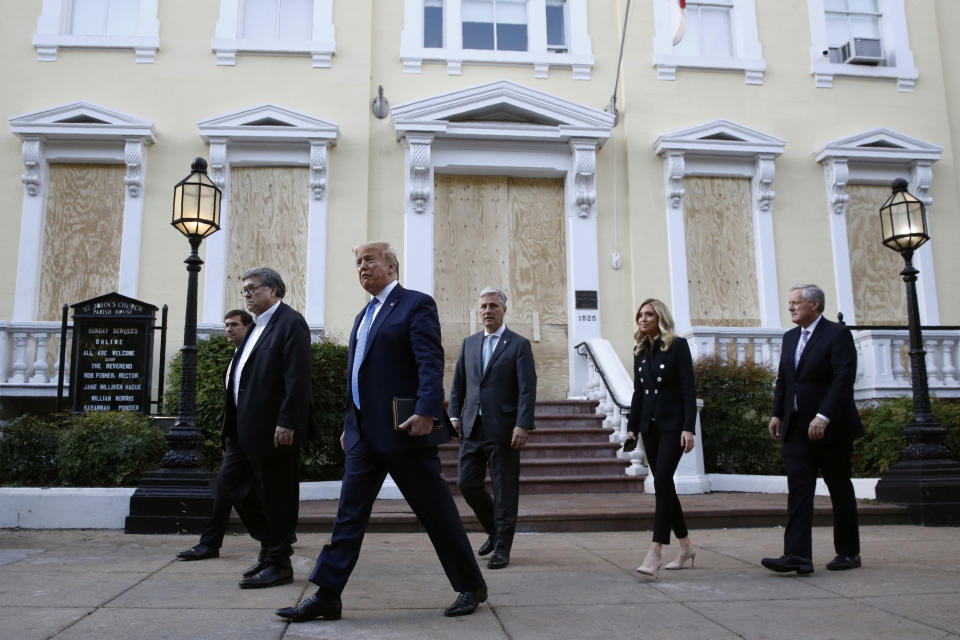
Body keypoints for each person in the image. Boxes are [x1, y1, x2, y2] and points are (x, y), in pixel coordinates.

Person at [276, 242, 487, 623]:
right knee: (348, 516)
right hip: (363, 436)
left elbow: (429, 359)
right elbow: (356, 376)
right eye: (357, 262)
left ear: (392, 267)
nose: (362, 267)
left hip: (404, 430)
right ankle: (328, 594)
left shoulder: (415, 304)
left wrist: (427, 409)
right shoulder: (363, 315)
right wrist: (348, 424)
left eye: (369, 260)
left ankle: (470, 585)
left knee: (436, 513)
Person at [220, 267, 313, 589]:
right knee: (234, 487)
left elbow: (297, 378)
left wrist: (287, 421)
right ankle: (270, 546)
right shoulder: (256, 327)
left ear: (273, 290)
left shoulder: (290, 322)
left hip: (274, 430)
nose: (246, 293)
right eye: (244, 289)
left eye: (252, 288)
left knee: (276, 495)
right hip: (243, 431)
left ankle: (278, 563)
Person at [762, 284, 863, 574]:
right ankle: (797, 556)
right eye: (790, 303)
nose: (791, 307)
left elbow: (843, 379)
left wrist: (824, 416)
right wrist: (777, 414)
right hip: (795, 428)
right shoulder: (790, 337)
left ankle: (848, 552)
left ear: (815, 305)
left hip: (831, 428)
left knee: (839, 488)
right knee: (799, 490)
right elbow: (784, 379)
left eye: (796, 302)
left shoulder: (837, 334)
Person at [449, 287, 537, 570]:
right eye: (484, 306)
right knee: (466, 483)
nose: (487, 311)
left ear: (504, 310)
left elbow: (527, 388)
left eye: (493, 306)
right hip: (472, 428)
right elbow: (459, 384)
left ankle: (502, 548)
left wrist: (523, 424)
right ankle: (494, 530)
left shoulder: (518, 345)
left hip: (504, 430)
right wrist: (453, 416)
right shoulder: (469, 344)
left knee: (505, 490)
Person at [626, 298, 697, 577]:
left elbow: (688, 390)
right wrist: (632, 427)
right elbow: (637, 393)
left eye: (649, 315)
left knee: (663, 482)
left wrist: (688, 427)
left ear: (660, 317)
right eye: (640, 315)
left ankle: (655, 551)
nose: (643, 319)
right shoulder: (640, 350)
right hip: (649, 428)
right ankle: (686, 546)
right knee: (664, 485)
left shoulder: (677, 346)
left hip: (673, 426)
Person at [177, 309, 253, 562]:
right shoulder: (235, 358)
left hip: (252, 435)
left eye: (234, 325)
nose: (228, 330)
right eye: (226, 325)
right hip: (236, 438)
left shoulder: (252, 356)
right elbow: (231, 404)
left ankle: (212, 543)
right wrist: (226, 438)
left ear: (247, 327)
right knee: (229, 487)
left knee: (234, 487)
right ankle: (212, 542)